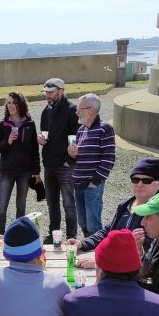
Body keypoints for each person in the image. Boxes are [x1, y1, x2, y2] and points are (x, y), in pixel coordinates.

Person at [67, 157, 159, 269]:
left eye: (146, 180)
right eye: (135, 179)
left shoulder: (158, 214)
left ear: (158, 184)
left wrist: (103, 262)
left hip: (129, 274)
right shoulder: (125, 205)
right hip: (112, 264)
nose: (139, 184)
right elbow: (107, 231)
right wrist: (83, 243)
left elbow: (149, 256)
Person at [0, 92, 42, 235]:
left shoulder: (30, 124)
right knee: (1, 207)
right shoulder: (1, 125)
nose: (10, 105)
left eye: (13, 102)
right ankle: (0, 234)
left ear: (20, 104)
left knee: (21, 206)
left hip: (25, 172)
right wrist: (7, 142)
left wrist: (36, 171)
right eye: (8, 102)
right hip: (7, 171)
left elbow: (34, 150)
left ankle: (18, 234)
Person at [66, 93, 115, 237]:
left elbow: (109, 159)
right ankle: (88, 247)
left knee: (93, 225)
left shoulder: (105, 128)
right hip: (78, 183)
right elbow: (75, 160)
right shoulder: (81, 130)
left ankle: (97, 255)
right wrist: (72, 155)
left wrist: (94, 182)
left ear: (92, 110)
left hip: (92, 184)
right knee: (83, 222)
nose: (77, 112)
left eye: (80, 108)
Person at [37, 78, 79, 242]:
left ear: (61, 91)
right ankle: (54, 234)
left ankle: (71, 236)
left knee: (69, 204)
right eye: (46, 92)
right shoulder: (45, 112)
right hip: (49, 165)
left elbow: (75, 138)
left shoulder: (71, 110)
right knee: (51, 203)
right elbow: (45, 135)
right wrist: (40, 140)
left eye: (51, 92)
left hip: (65, 166)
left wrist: (69, 160)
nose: (48, 95)